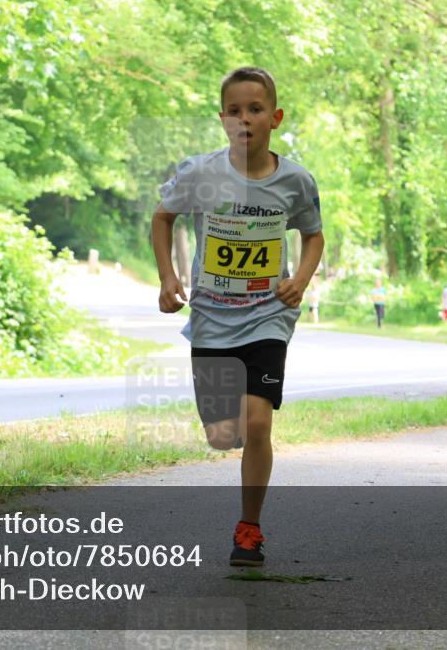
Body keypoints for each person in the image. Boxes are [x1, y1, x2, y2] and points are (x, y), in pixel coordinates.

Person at [151, 66, 324, 567]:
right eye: (234, 110)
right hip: (212, 317)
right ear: (222, 118)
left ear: (275, 117)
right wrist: (167, 277)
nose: (244, 118)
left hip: (268, 316)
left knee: (258, 422)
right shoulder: (201, 174)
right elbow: (163, 217)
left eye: (255, 109)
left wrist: (301, 279)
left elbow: (313, 235)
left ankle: (249, 529)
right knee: (223, 433)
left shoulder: (295, 181)